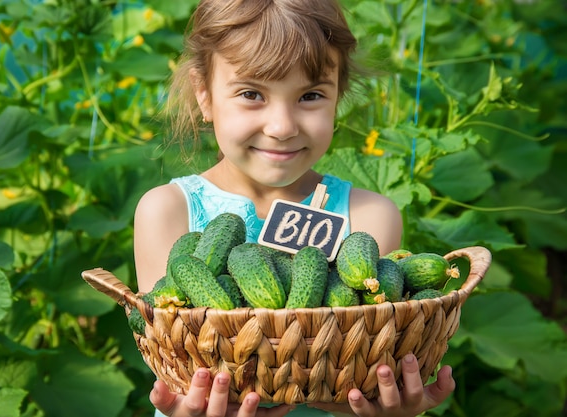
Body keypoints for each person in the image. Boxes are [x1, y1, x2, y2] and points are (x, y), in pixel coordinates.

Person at [133, 0, 456, 416]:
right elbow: (177, 361)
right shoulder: (167, 211)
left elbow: (360, 365)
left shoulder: (371, 216)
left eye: (310, 95)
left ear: (338, 96)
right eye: (252, 94)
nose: (282, 126)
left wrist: (380, 407)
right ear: (204, 95)